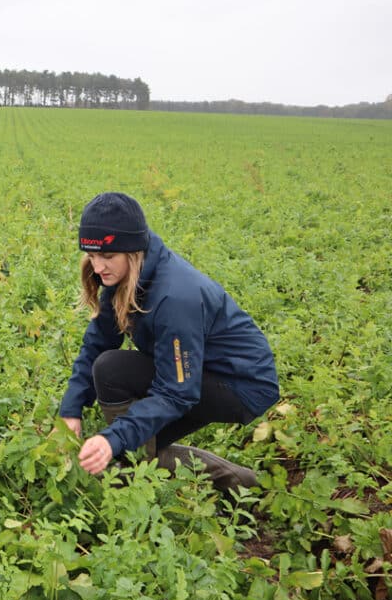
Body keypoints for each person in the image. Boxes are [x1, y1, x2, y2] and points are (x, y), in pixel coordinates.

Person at [58, 192, 279, 491]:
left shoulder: (174, 298)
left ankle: (239, 484)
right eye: (92, 256)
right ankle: (133, 459)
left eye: (107, 256)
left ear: (132, 251)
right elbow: (99, 342)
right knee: (110, 371)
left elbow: (177, 393)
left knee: (128, 450)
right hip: (201, 369)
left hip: (241, 383)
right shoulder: (123, 276)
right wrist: (70, 410)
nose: (97, 267)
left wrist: (115, 439)